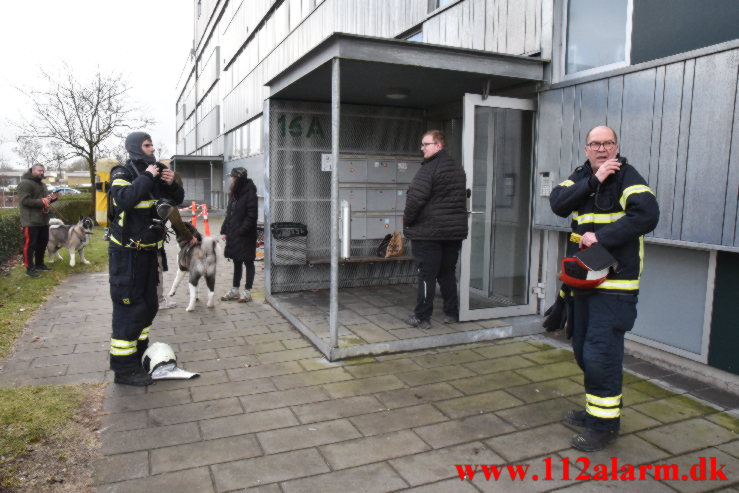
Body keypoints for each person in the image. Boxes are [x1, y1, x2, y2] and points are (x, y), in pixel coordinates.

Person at [549, 125, 659, 451]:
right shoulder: (583, 175)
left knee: (601, 354)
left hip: (616, 284)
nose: (601, 149)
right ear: (586, 148)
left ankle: (604, 426)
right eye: (595, 144)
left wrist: (602, 238)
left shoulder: (628, 176)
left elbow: (647, 214)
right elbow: (558, 203)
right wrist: (593, 181)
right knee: (584, 350)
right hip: (585, 280)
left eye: (607, 143)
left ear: (616, 146)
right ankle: (596, 410)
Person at [107, 132, 185, 386]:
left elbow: (176, 201)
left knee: (149, 305)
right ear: (135, 148)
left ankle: (139, 354)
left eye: (153, 144)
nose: (152, 148)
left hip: (149, 252)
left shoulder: (156, 171)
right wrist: (147, 176)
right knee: (130, 309)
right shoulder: (123, 172)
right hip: (126, 255)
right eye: (147, 145)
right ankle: (123, 369)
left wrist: (172, 183)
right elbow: (124, 200)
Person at [403, 130, 468, 330]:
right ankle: (451, 312)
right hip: (452, 233)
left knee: (426, 275)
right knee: (447, 272)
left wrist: (407, 222)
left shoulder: (429, 168)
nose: (422, 148)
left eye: (426, 144)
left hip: (428, 232)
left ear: (438, 145)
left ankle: (422, 317)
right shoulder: (457, 168)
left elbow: (415, 199)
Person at [220, 167, 258, 302]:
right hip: (234, 234)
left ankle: (247, 291)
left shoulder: (250, 193)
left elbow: (252, 216)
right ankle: (235, 289)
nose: (231, 179)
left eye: (233, 177)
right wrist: (224, 230)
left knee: (248, 261)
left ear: (239, 178)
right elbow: (229, 214)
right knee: (236, 261)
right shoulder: (234, 193)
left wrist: (241, 231)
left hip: (246, 236)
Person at [18, 164, 58, 277]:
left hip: (43, 220)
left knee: (42, 243)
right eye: (39, 170)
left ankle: (39, 264)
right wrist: (42, 201)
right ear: (32, 170)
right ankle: (29, 269)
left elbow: (44, 201)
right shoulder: (24, 183)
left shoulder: (42, 184)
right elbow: (24, 201)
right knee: (30, 245)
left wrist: (52, 199)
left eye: (43, 171)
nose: (42, 173)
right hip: (30, 221)